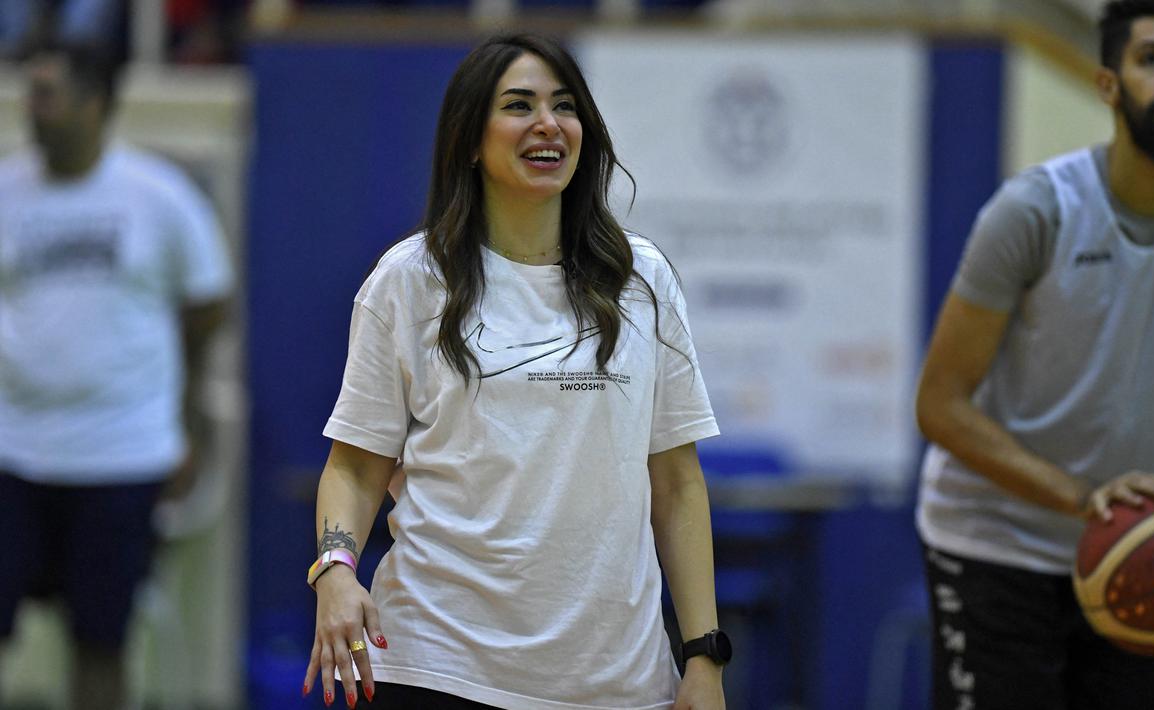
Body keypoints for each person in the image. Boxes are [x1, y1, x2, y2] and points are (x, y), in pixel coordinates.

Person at [300, 33, 729, 710]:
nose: (547, 124)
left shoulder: (641, 280)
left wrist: (703, 657)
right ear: (471, 141)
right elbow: (355, 468)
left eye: (564, 106)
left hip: (616, 681)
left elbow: (677, 484)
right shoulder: (408, 281)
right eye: (518, 105)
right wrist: (334, 571)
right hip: (436, 663)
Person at [914, 1, 1154, 708]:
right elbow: (937, 407)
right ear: (1107, 85)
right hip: (992, 549)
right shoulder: (1033, 210)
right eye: (1152, 58)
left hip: (1130, 556)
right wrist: (1083, 499)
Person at [0, 42, 233, 710]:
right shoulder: (8, 190)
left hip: (119, 457)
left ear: (94, 102)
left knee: (100, 641)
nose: (33, 111)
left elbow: (208, 306)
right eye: (29, 94)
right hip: (13, 452)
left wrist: (186, 424)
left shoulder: (158, 198)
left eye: (47, 94)